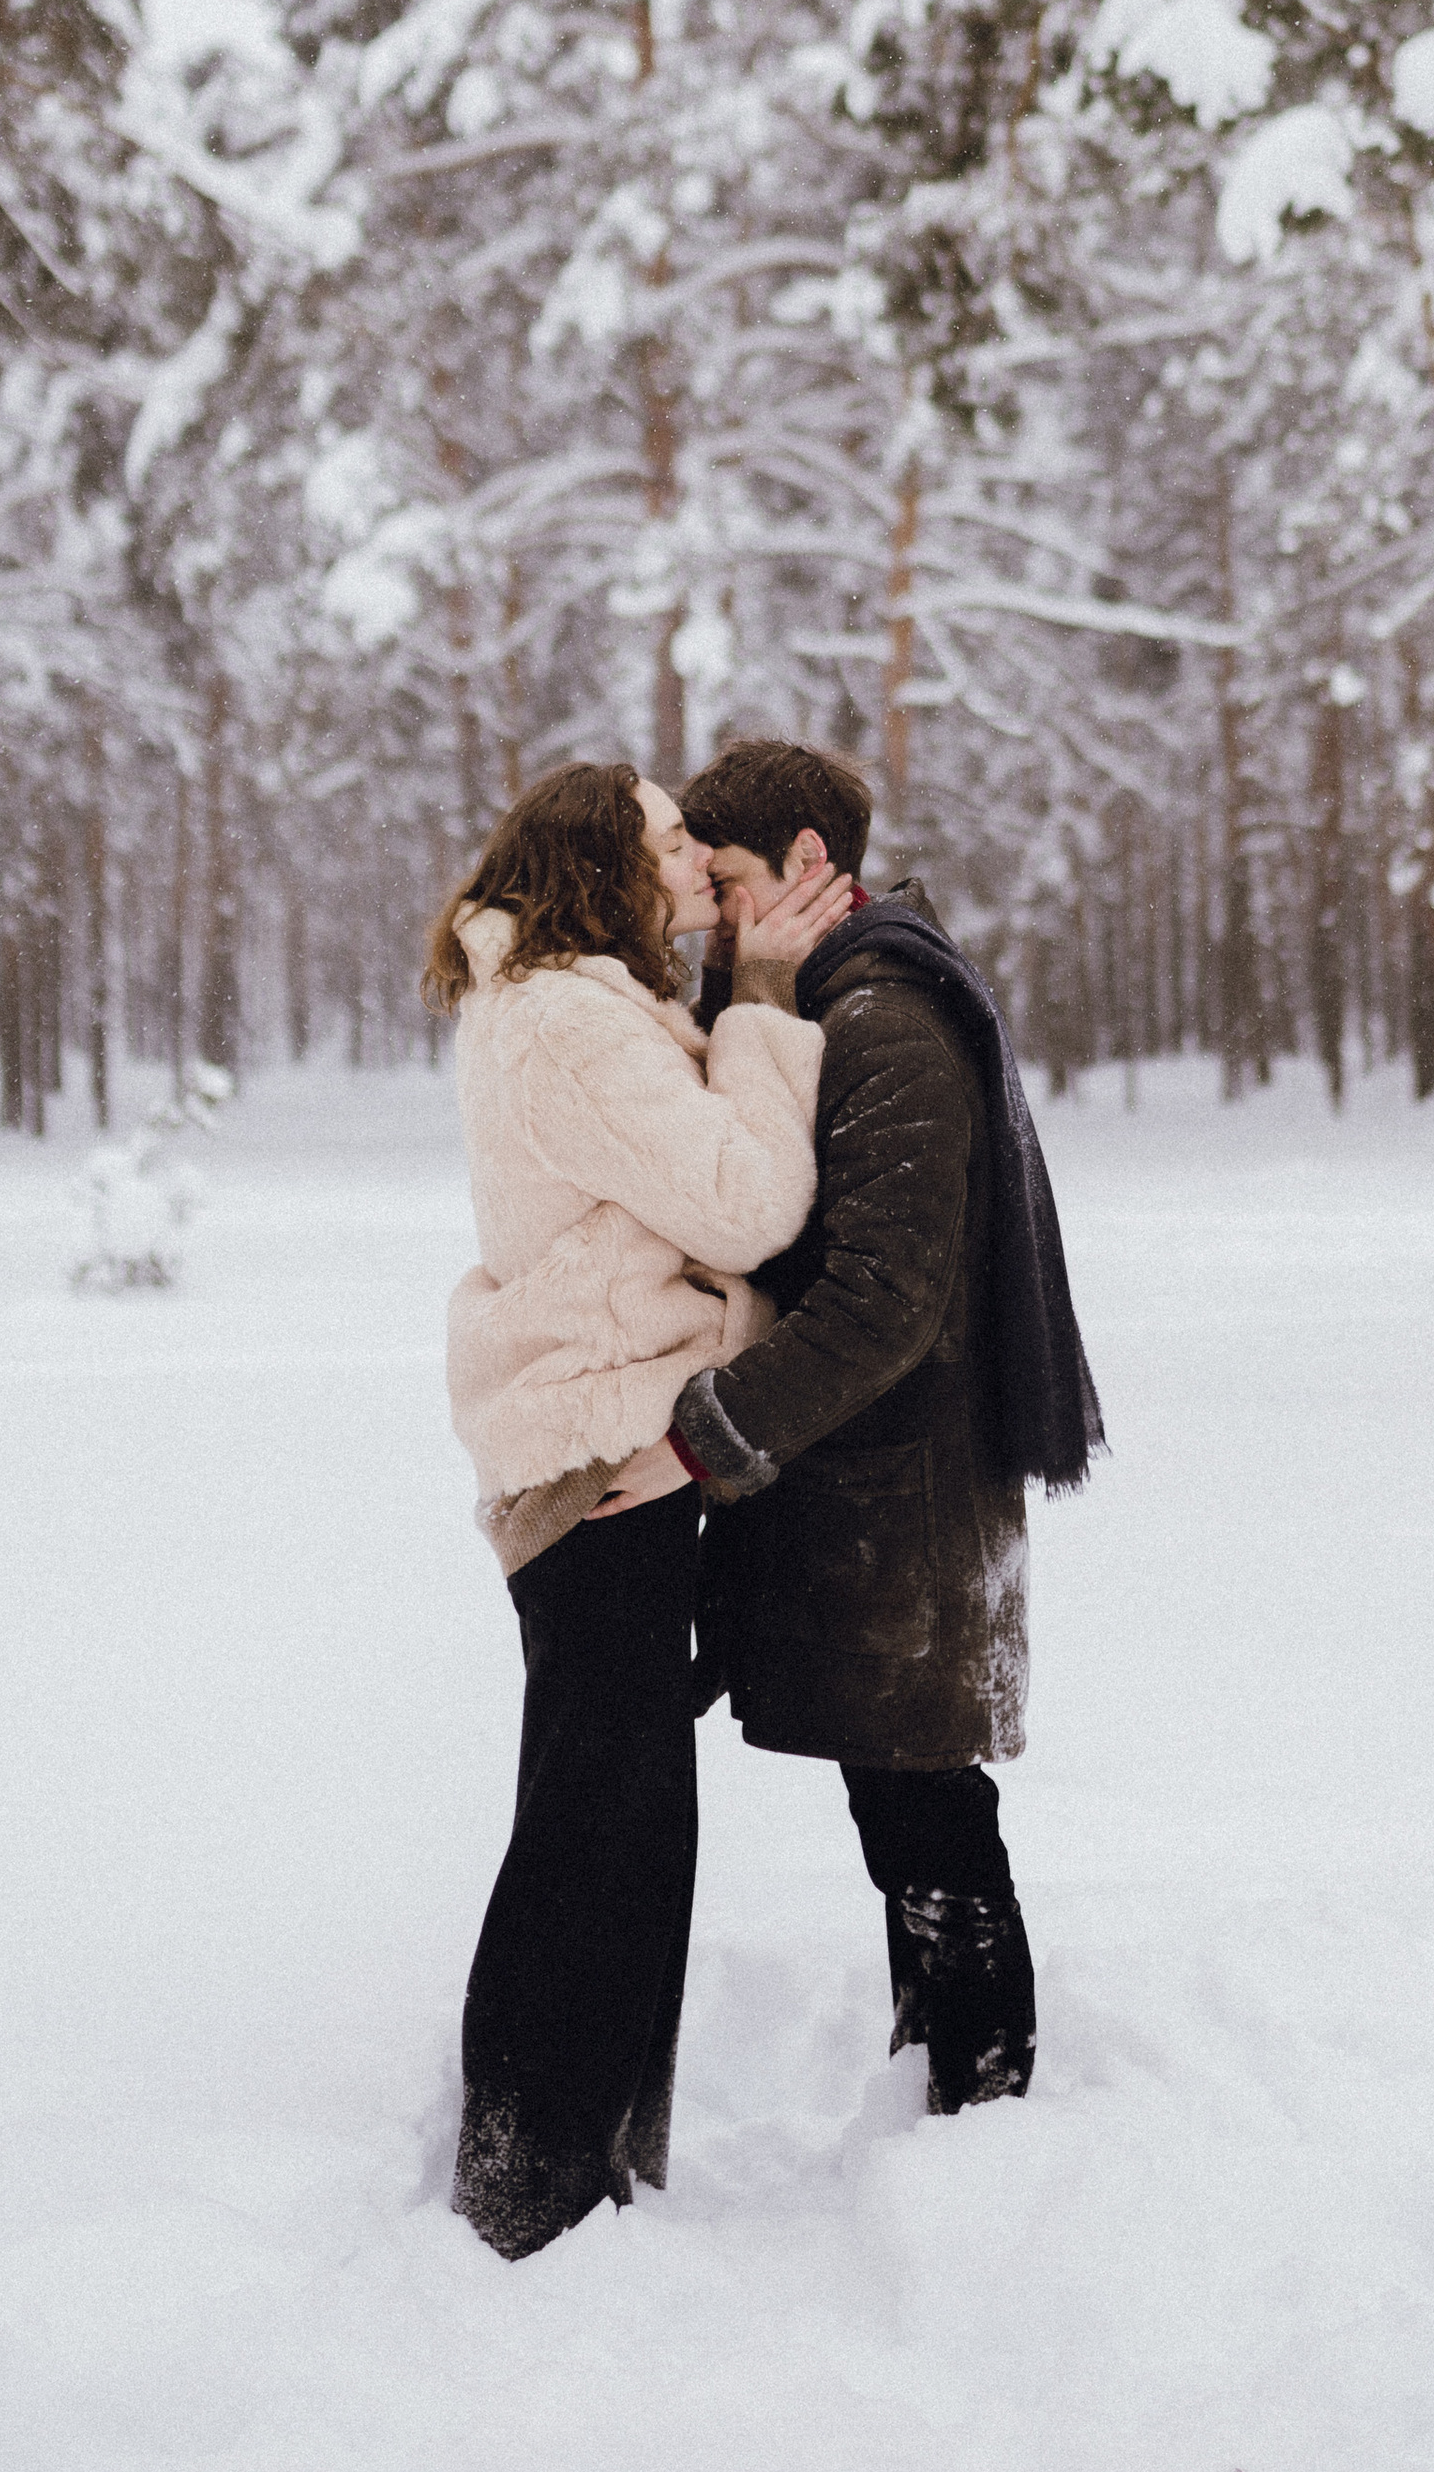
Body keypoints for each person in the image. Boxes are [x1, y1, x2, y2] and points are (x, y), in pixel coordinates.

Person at [646, 740, 1105, 2118]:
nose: (709, 915)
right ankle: (950, 2091)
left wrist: (707, 1433)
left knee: (929, 1822)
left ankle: (989, 2107)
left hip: (901, 1503)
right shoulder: (826, 1001)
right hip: (868, 1495)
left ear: (802, 863)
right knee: (901, 1814)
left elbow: (885, 1301)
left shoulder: (886, 1019)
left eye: (722, 881)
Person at [427, 759, 849, 2260]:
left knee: (614, 1818)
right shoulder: (568, 1026)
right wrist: (769, 1007)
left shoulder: (572, 1010)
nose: (690, 866)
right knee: (598, 1828)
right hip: (599, 1457)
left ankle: (569, 2157)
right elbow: (747, 1207)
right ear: (603, 862)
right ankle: (530, 2179)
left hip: (613, 1447)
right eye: (670, 844)